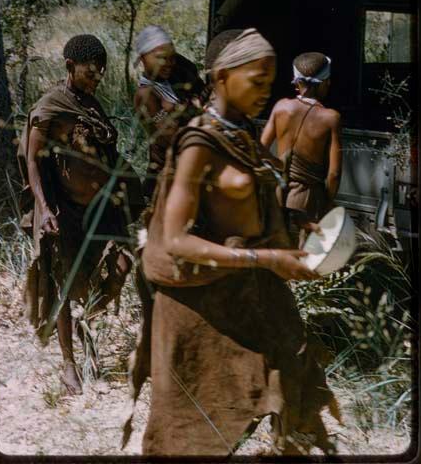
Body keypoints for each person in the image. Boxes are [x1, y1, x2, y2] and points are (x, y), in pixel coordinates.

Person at [123, 28, 340, 456]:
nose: (264, 91)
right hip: (196, 316)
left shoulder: (242, 136)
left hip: (249, 302)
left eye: (269, 81)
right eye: (255, 80)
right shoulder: (198, 144)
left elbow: (248, 200)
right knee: (190, 439)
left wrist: (293, 223)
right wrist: (264, 257)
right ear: (221, 77)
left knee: (291, 405)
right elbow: (176, 241)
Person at [18, 34, 145, 395]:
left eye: (100, 74)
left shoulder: (89, 104)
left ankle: (86, 324)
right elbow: (33, 160)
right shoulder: (51, 107)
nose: (97, 79)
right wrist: (44, 210)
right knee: (61, 284)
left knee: (120, 268)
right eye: (90, 73)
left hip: (102, 208)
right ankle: (69, 364)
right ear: (70, 66)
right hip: (66, 211)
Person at [261, 51, 342, 246]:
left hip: (279, 196)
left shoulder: (281, 107)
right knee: (306, 262)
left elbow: (260, 148)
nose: (329, 84)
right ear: (323, 83)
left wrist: (280, 166)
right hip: (309, 202)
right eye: (328, 80)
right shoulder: (330, 118)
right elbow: (334, 174)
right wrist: (328, 202)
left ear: (296, 82)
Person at [133, 25, 205, 200]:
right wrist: (196, 110)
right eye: (160, 58)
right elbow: (170, 136)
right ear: (143, 58)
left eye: (172, 59)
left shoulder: (174, 81)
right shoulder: (146, 94)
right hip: (165, 181)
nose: (169, 64)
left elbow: (203, 94)